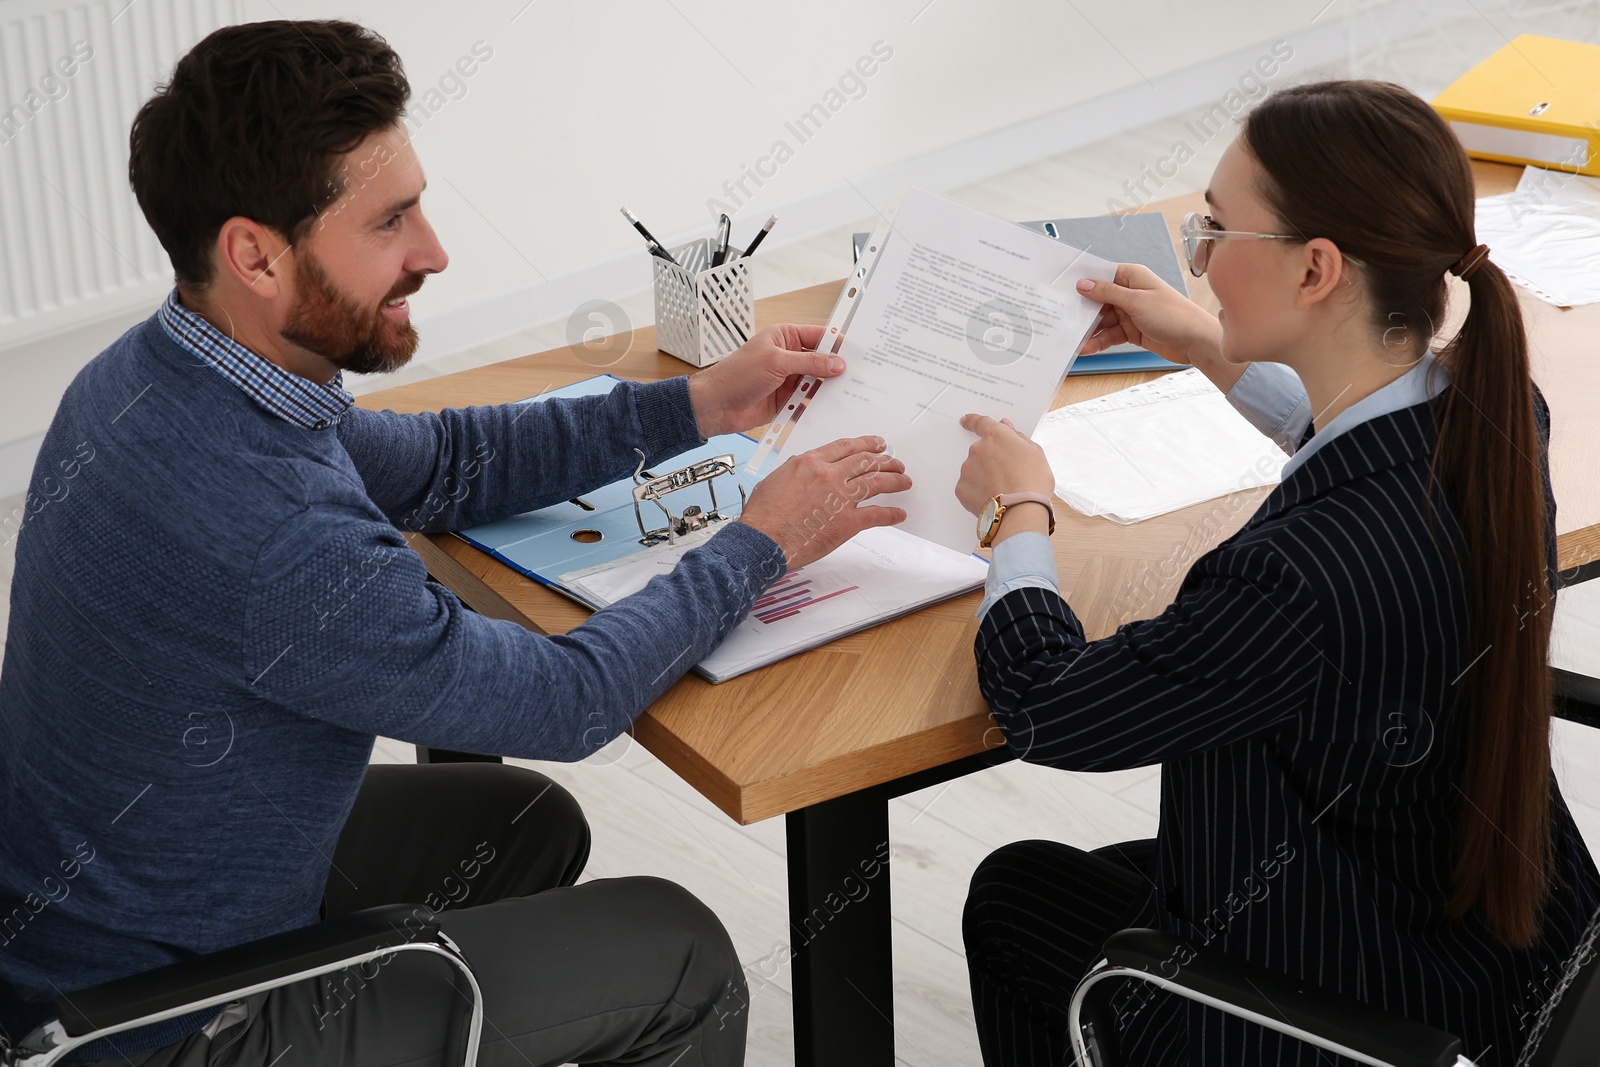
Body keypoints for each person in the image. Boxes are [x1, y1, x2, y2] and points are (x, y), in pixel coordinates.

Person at [0, 20, 910, 1067]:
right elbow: (564, 701)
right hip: (161, 1029)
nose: (434, 250)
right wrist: (763, 539)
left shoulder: (159, 371)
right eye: (391, 221)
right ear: (254, 252)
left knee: (516, 823)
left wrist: (694, 404)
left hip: (81, 933)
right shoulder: (277, 531)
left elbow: (434, 464)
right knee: (682, 953)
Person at [953, 79, 1600, 1066]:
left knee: (1015, 898)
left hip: (1343, 999)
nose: (1199, 259)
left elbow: (1048, 705)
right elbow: (1345, 433)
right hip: (1496, 948)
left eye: (1213, 230)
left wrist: (1021, 508)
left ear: (1317, 271)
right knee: (1085, 878)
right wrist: (1202, 342)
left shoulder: (1289, 580)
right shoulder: (1494, 420)